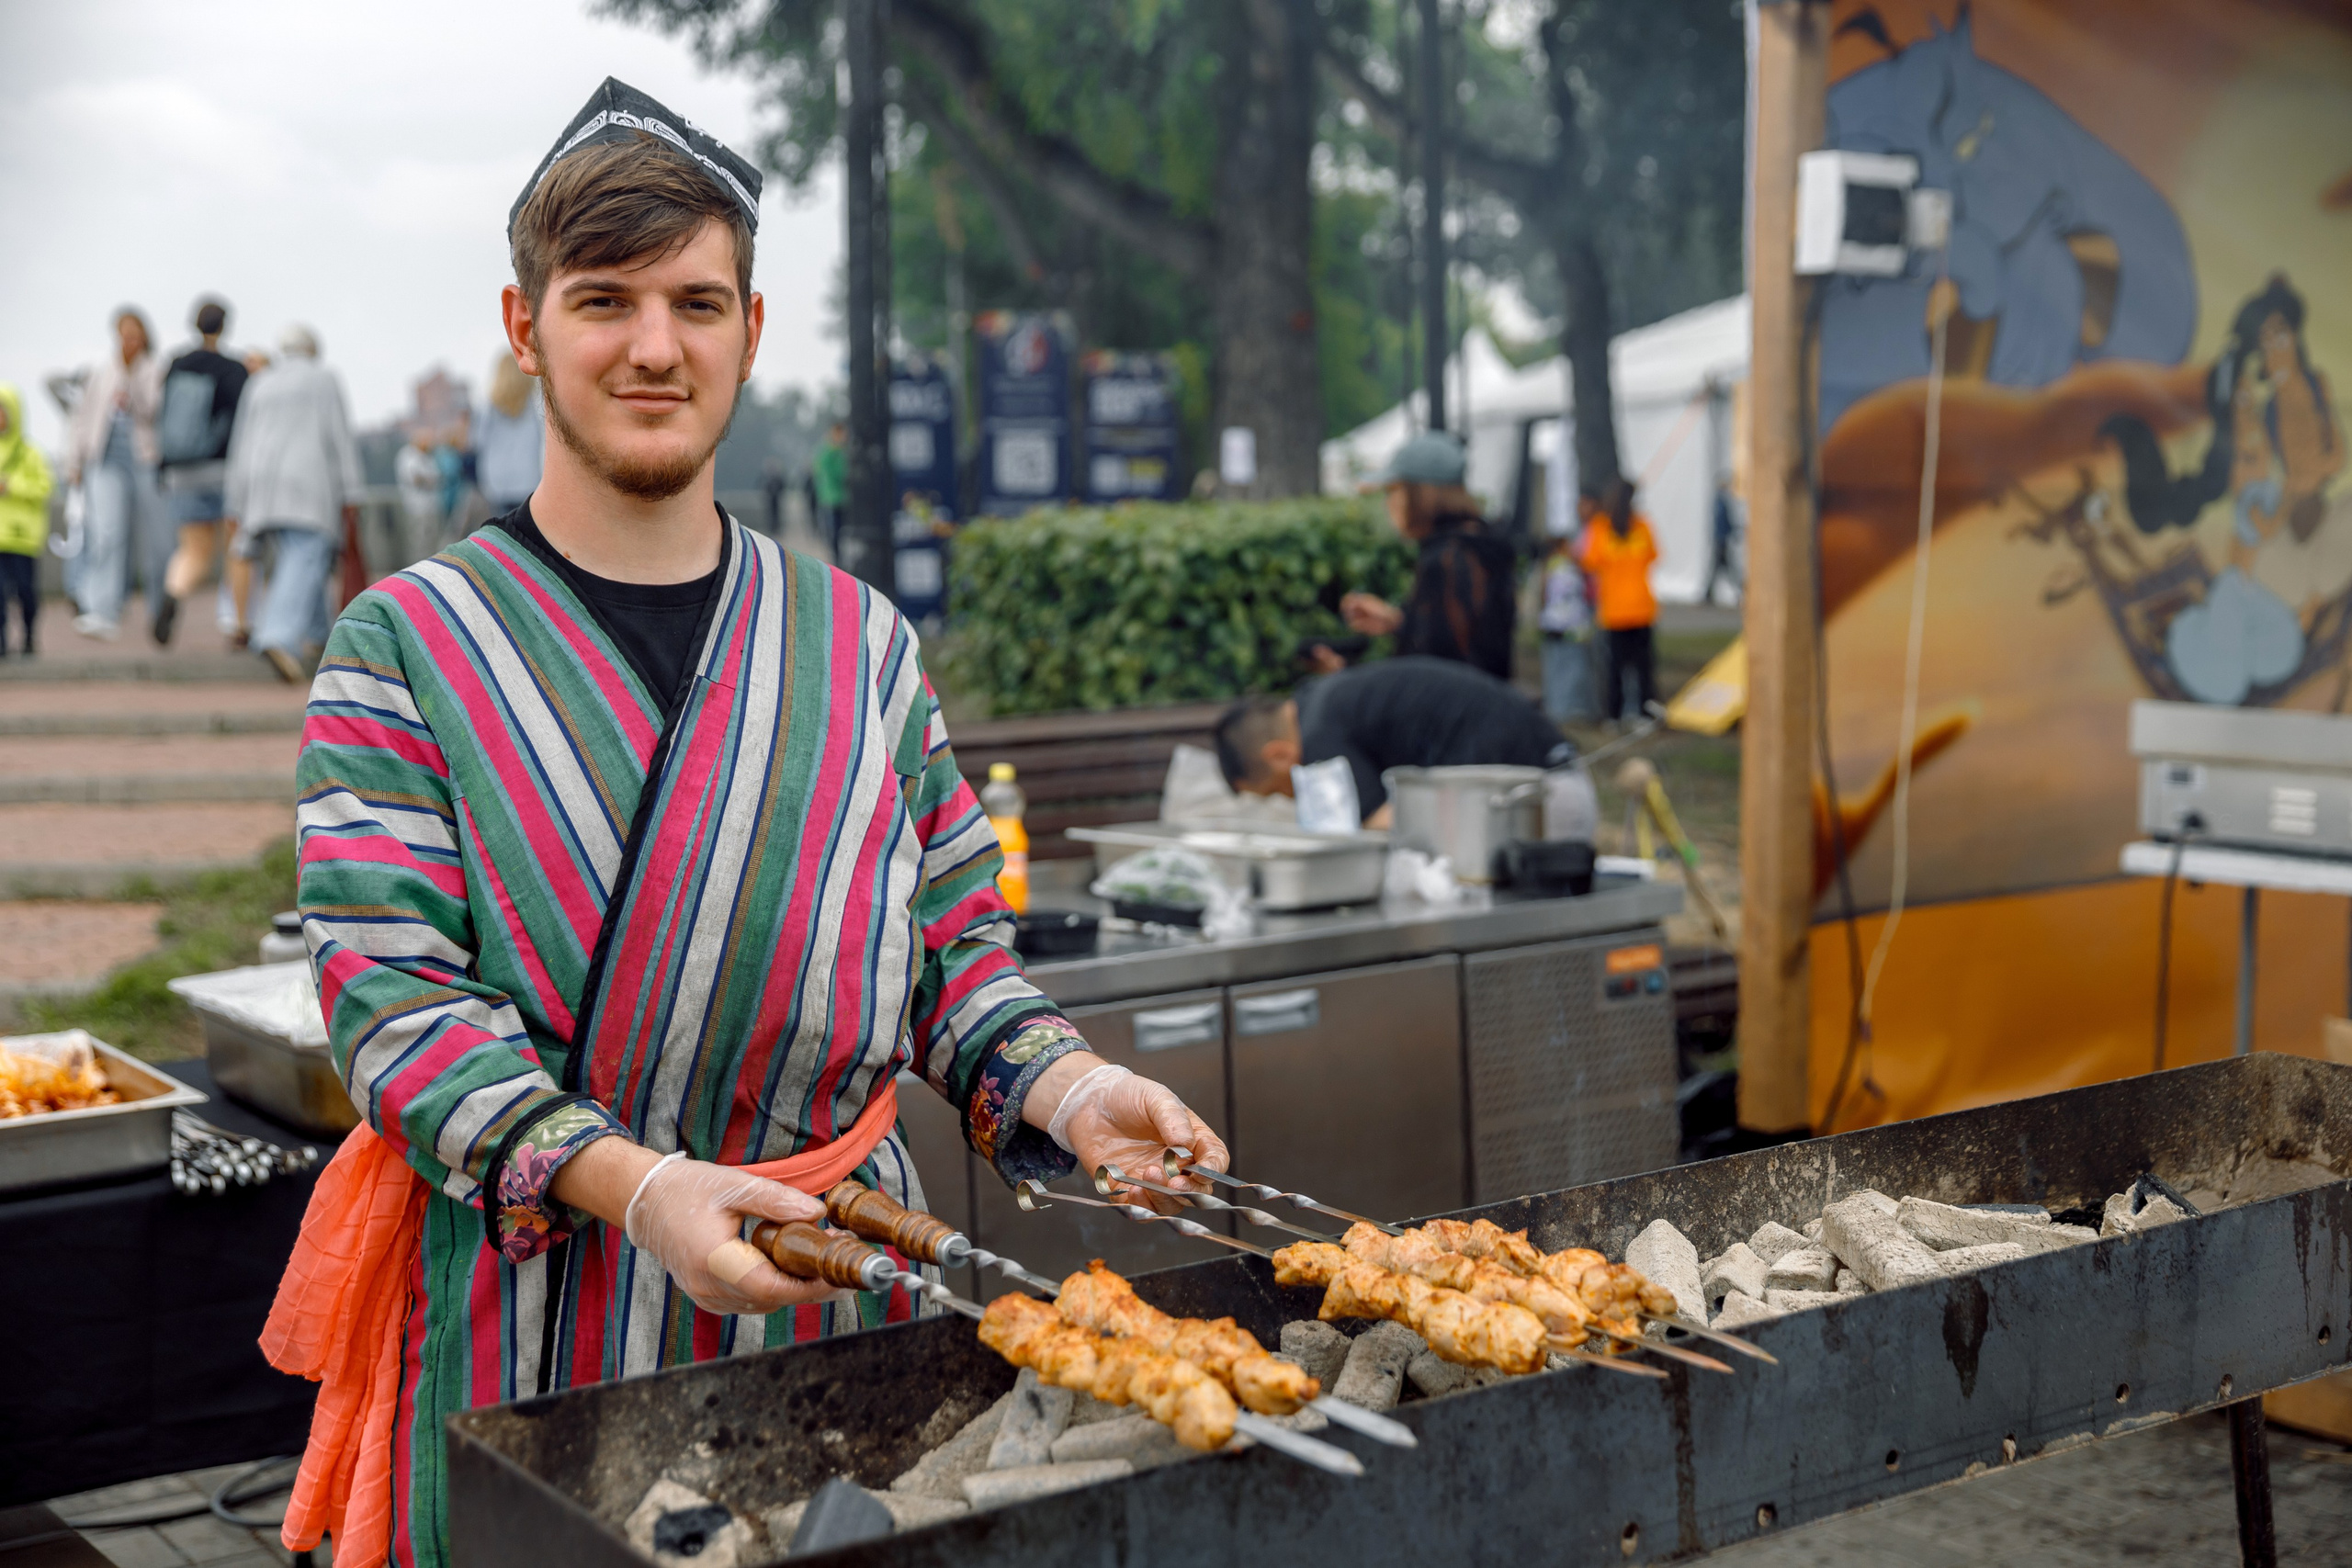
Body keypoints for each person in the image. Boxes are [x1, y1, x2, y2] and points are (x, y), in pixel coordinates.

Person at [268, 80, 1228, 1568]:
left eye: (696, 302)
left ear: (751, 331)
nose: (655, 345)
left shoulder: (860, 646)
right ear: (523, 333)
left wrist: (1069, 1087)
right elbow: (398, 1015)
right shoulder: (403, 648)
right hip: (535, 1327)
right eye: (604, 301)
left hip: (846, 1313)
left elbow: (952, 961)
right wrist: (639, 1187)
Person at [1214, 655, 1570, 827]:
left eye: (1279, 791)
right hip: (1549, 763)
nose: (1290, 798)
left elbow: (1384, 823)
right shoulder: (1318, 703)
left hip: (1539, 795)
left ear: (1278, 756)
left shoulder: (1318, 737)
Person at [223, 325, 363, 683]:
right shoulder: (324, 379)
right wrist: (352, 491)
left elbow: (241, 442)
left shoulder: (260, 382)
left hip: (262, 485)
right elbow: (339, 436)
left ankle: (318, 636)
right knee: (308, 552)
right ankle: (278, 636)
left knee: (300, 556)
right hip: (308, 483)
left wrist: (236, 499)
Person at [1335, 430, 1517, 681]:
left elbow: (1439, 667)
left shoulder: (1448, 559)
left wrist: (1347, 680)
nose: (1388, 503)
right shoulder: (1477, 543)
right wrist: (1399, 622)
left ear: (1422, 494)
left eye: (1393, 491)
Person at [154, 297, 251, 645]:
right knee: (237, 550)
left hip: (183, 473)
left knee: (193, 552)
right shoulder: (234, 369)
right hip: (225, 472)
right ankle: (238, 624)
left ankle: (173, 593)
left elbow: (161, 419)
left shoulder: (176, 365)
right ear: (225, 326)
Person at [63, 307, 164, 640]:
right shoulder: (101, 371)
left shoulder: (153, 370)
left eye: (135, 334)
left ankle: (158, 609)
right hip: (104, 461)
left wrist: (132, 381)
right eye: (124, 334)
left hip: (144, 461)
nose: (129, 341)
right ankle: (101, 609)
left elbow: (153, 411)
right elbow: (83, 417)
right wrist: (75, 462)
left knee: (154, 538)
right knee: (106, 533)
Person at [1577, 477, 1659, 723]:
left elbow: (1588, 562)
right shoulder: (1642, 526)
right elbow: (1653, 556)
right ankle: (1644, 712)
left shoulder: (1600, 528)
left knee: (1615, 667)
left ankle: (1614, 714)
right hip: (1641, 606)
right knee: (1643, 666)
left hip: (1613, 609)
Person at [0, 385, 54, 656]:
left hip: (22, 537)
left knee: (25, 591)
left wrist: (11, 486)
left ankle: (30, 637)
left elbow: (45, 487)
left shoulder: (30, 452)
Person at [1535, 520, 1596, 725]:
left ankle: (1555, 707)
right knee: (1571, 670)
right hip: (1570, 628)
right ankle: (1566, 710)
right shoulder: (1567, 569)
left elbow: (1543, 597)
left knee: (1553, 670)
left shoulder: (1547, 567)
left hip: (1550, 624)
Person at [475, 350, 545, 516]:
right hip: (529, 479)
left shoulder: (488, 409)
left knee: (502, 537)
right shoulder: (535, 405)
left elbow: (478, 441)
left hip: (496, 483)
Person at [393, 425, 443, 564]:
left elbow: (436, 477)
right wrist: (428, 480)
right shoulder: (408, 455)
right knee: (418, 542)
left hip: (431, 506)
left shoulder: (427, 456)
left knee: (432, 542)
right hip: (416, 507)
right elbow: (416, 479)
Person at [812, 418, 848, 550]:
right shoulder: (831, 452)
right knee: (835, 535)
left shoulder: (829, 451)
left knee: (836, 535)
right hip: (833, 499)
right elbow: (840, 474)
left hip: (833, 498)